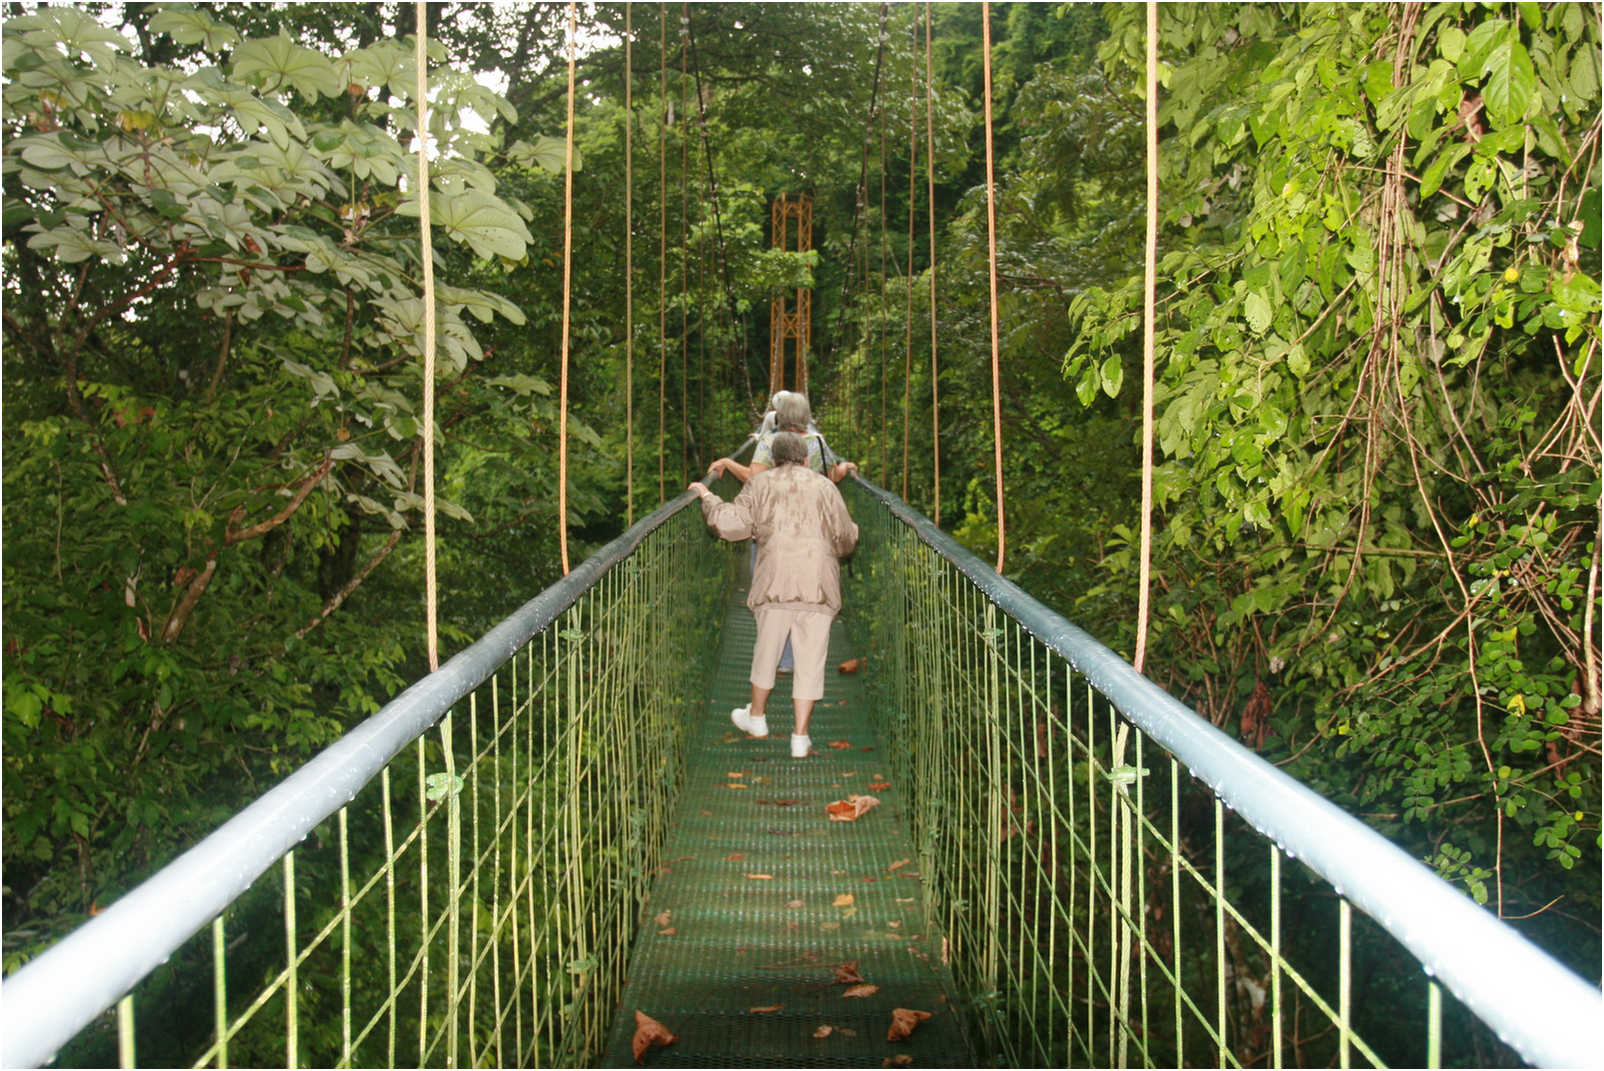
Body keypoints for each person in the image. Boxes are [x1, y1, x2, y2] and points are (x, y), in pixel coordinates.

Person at [689, 431, 859, 758]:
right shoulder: (826, 487)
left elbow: (731, 525)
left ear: (774, 459)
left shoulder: (759, 485)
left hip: (774, 584)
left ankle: (757, 718)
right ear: (807, 460)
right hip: (818, 585)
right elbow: (846, 538)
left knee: (766, 652)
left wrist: (706, 497)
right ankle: (800, 738)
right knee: (810, 662)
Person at [711, 392, 858, 484]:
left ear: (779, 414)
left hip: (777, 517)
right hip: (811, 516)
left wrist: (727, 462)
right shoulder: (818, 441)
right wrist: (845, 465)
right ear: (806, 415)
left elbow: (753, 477)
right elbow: (834, 476)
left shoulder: (769, 441)